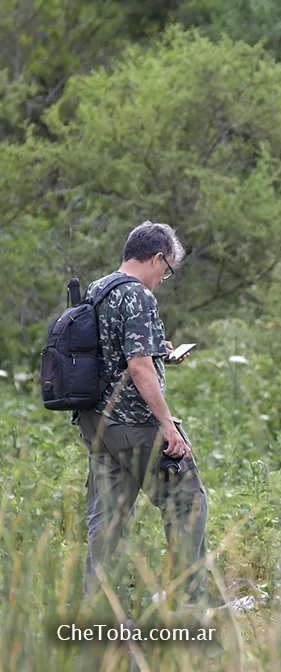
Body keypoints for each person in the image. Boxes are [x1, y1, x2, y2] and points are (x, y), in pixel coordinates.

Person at [76, 220, 208, 606]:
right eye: (166, 271)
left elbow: (110, 352)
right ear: (157, 258)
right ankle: (189, 604)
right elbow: (137, 368)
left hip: (98, 424)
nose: (163, 279)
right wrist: (169, 426)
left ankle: (98, 610)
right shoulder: (138, 296)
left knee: (108, 521)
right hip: (134, 424)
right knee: (188, 502)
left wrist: (156, 349)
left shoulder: (98, 289)